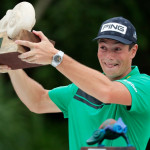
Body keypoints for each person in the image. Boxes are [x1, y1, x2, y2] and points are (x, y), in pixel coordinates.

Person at [0, 16, 150, 150]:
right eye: (103, 47)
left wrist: (55, 57)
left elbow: (107, 92)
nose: (109, 56)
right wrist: (11, 66)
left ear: (133, 51)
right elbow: (37, 101)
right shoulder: (81, 88)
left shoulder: (144, 85)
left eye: (117, 49)